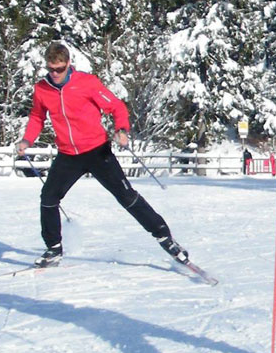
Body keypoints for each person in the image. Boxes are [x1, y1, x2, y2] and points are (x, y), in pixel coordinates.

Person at [15, 42, 190, 268]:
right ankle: (54, 249)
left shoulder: (86, 83)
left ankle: (166, 238)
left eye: (59, 69)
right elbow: (37, 117)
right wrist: (27, 140)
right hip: (68, 154)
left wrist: (122, 130)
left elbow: (116, 107)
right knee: (48, 198)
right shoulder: (42, 89)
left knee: (127, 197)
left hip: (97, 151)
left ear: (68, 64)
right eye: (51, 69)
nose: (55, 74)